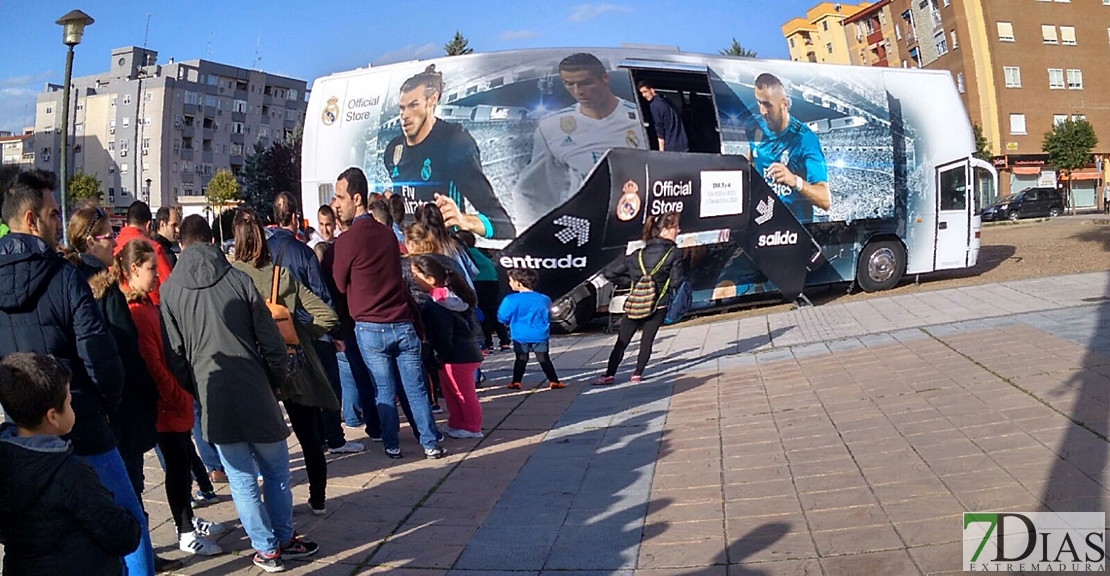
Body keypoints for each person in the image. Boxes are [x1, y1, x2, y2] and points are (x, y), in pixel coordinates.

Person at [0, 169, 155, 575]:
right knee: (127, 518)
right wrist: (105, 405)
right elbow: (100, 355)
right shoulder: (66, 275)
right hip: (80, 418)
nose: (59, 223)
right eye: (53, 214)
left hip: (23, 428)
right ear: (31, 220)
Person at [160, 215, 319, 572]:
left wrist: (196, 387)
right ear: (212, 241)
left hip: (213, 393)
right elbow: (271, 341)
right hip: (255, 389)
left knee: (241, 479)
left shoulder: (169, 291)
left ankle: (267, 548)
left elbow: (175, 355)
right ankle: (283, 537)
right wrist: (274, 379)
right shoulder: (239, 280)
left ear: (183, 245)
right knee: (276, 472)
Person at [328, 166, 446, 460]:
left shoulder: (347, 240)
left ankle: (392, 443)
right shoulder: (387, 235)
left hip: (369, 326)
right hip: (402, 321)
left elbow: (339, 284)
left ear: (357, 198)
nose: (336, 203)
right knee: (416, 388)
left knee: (384, 389)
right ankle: (430, 442)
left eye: (340, 196)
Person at [117, 239, 224, 556]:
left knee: (183, 462)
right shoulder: (137, 312)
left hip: (174, 402)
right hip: (166, 406)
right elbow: (152, 364)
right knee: (177, 468)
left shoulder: (148, 305)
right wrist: (178, 394)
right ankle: (185, 530)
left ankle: (189, 519)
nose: (157, 275)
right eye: (151, 269)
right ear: (134, 270)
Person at [233, 208, 343, 516]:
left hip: (252, 368)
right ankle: (318, 498)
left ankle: (265, 509)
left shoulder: (231, 277)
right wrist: (301, 332)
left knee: (260, 444)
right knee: (309, 435)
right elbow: (327, 315)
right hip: (291, 363)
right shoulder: (280, 277)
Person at [0, 352, 142, 576]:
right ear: (53, 417)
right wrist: (127, 518)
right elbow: (120, 535)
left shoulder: (6, 460)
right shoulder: (69, 471)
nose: (71, 407)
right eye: (68, 402)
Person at [64, 207, 159, 504]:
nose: (115, 242)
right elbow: (127, 347)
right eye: (109, 236)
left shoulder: (67, 280)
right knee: (130, 490)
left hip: (83, 405)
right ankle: (139, 550)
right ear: (90, 241)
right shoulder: (104, 287)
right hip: (118, 405)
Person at [269, 192, 363, 456]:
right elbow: (321, 295)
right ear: (295, 217)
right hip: (310, 329)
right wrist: (334, 331)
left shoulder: (265, 250)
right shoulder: (303, 252)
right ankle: (334, 437)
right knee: (328, 385)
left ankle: (315, 438)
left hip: (280, 330)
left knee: (297, 391)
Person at [513, 52, 647, 230]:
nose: (578, 91)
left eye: (586, 83)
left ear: (604, 78)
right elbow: (530, 190)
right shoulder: (551, 127)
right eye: (569, 84)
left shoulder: (639, 118)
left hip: (635, 224)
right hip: (584, 228)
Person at [382, 65, 515, 240]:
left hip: (444, 256)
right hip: (410, 256)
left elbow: (503, 226)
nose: (405, 115)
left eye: (413, 105)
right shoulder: (393, 150)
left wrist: (463, 220)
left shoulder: (454, 141)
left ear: (432, 100)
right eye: (402, 108)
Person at [592, 212, 684, 385]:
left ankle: (609, 374)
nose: (678, 230)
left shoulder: (637, 254)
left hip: (636, 303)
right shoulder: (673, 253)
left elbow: (609, 273)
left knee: (622, 340)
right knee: (647, 341)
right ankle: (637, 374)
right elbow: (676, 281)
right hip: (658, 304)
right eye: (675, 227)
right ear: (664, 231)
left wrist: (631, 280)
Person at [410, 255, 485, 439]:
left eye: (416, 274)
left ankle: (472, 427)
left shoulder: (438, 303)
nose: (413, 278)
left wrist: (439, 355)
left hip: (457, 355)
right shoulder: (449, 297)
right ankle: (457, 423)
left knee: (462, 394)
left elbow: (444, 333)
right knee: (453, 393)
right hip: (459, 353)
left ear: (430, 279)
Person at [749, 72, 831, 223]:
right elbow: (751, 160)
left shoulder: (805, 139)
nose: (763, 112)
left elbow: (825, 200)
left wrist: (794, 180)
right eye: (759, 103)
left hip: (794, 232)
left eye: (767, 105)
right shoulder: (756, 128)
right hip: (763, 225)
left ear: (784, 104)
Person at [498, 269, 564, 390]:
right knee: (543, 358)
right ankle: (554, 381)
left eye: (511, 281)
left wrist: (507, 323)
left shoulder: (510, 299)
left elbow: (502, 317)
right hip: (540, 334)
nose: (509, 283)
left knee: (521, 358)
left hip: (519, 334)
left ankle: (516, 382)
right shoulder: (544, 299)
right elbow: (548, 316)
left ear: (518, 283)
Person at [455, 230, 510, 353]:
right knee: (494, 311)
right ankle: (504, 341)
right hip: (492, 282)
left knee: (482, 314)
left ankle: (488, 343)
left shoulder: (464, 253)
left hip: (477, 283)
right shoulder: (481, 252)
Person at [116, 200, 174, 305]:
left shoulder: (111, 248)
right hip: (148, 309)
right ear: (148, 225)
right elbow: (170, 289)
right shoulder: (153, 249)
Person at [636, 80, 689, 153]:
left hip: (670, 146)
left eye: (645, 92)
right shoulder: (665, 101)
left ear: (652, 90)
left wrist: (661, 150)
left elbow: (659, 128)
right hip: (681, 143)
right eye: (641, 93)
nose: (644, 95)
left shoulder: (654, 106)